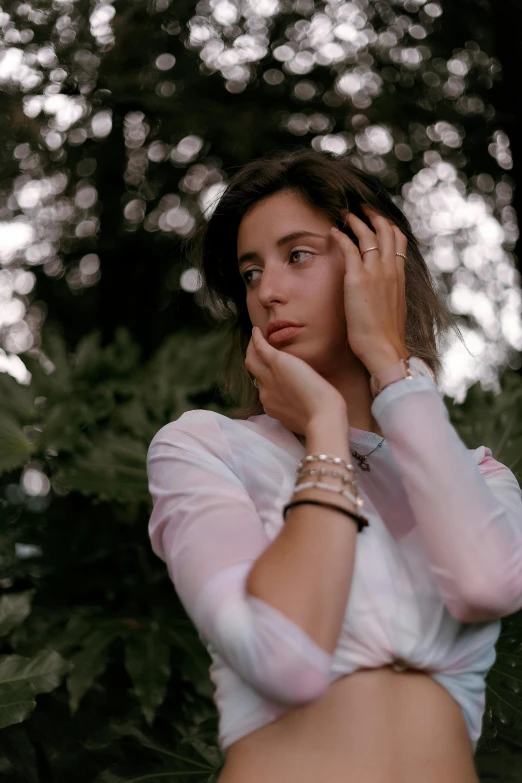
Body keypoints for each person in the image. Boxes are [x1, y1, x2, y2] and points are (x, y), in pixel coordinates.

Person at [146, 149, 522, 783]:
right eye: (250, 271)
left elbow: (486, 582)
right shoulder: (205, 449)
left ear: (375, 266)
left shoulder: (481, 479)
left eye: (298, 255)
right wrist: (323, 428)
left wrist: (391, 368)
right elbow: (282, 658)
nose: (267, 292)